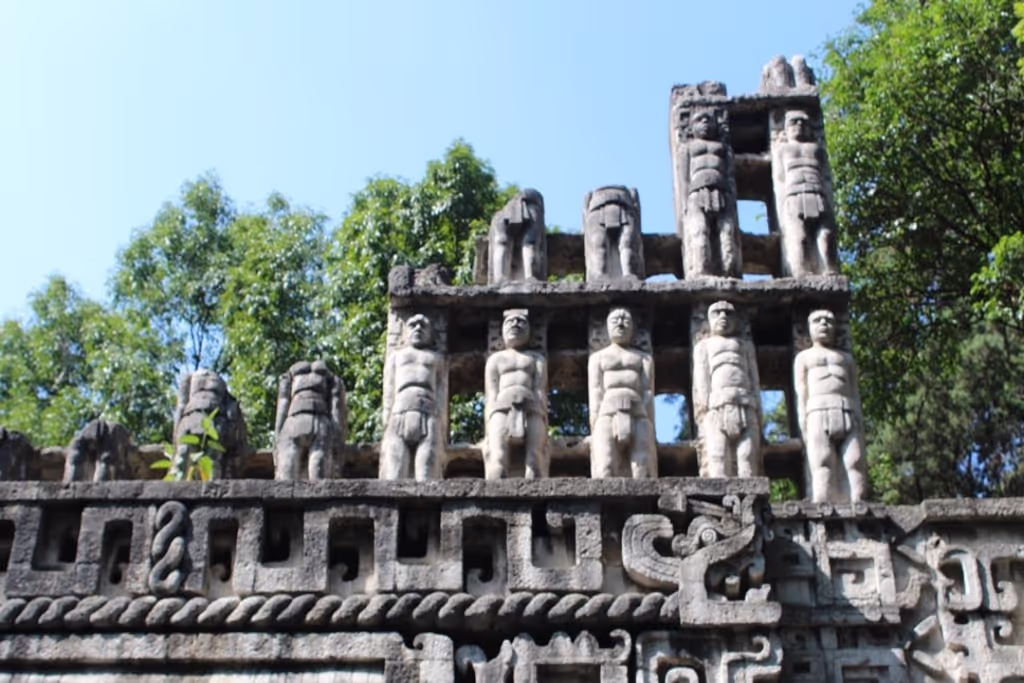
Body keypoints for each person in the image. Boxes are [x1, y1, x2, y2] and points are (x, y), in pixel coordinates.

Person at [794, 310, 867, 502]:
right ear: (809, 328)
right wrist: (803, 421)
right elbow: (801, 391)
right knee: (822, 460)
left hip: (847, 410)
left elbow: (854, 392)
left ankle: (857, 499)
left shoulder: (846, 359)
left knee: (855, 459)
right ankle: (823, 500)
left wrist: (859, 419)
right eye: (817, 321)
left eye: (828, 321)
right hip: (817, 411)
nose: (823, 324)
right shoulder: (804, 358)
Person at [692, 301, 762, 477]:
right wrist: (706, 406)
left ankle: (748, 488)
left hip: (745, 403)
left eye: (728, 313)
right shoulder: (703, 347)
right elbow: (702, 378)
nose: (723, 316)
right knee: (718, 454)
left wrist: (757, 407)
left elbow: (753, 377)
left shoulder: (745, 346)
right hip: (717, 405)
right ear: (708, 320)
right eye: (717, 313)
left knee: (747, 455)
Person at [588, 308, 657, 478]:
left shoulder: (644, 359)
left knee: (642, 465)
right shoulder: (597, 358)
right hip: (607, 412)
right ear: (606, 327)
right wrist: (595, 421)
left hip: (637, 411)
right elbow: (595, 391)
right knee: (605, 464)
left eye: (626, 321)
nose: (620, 324)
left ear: (633, 327)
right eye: (615, 321)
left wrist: (647, 419)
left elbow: (647, 391)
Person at [380, 314, 446, 480]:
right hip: (399, 410)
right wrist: (386, 415)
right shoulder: (396, 357)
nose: (418, 328)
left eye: (423, 326)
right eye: (413, 325)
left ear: (431, 333)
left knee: (427, 466)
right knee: (395, 466)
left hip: (428, 410)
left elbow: (441, 391)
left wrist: (442, 421)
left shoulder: (437, 359)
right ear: (404, 332)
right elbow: (389, 387)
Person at [484, 309, 548, 479]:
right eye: (510, 322)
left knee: (534, 460)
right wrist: (489, 421)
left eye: (521, 322)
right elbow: (491, 393)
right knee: (498, 458)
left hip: (531, 407)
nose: (515, 325)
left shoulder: (536, 359)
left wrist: (542, 416)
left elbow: (540, 390)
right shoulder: (495, 360)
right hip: (501, 408)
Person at [777, 109, 839, 276]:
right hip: (794, 195)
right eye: (794, 122)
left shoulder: (817, 149)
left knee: (826, 235)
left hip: (818, 194)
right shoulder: (783, 151)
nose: (799, 125)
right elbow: (780, 176)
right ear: (785, 129)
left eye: (803, 122)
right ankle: (801, 270)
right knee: (800, 237)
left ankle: (828, 269)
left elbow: (826, 175)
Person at [680, 109, 740, 278]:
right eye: (699, 120)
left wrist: (731, 196)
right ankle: (702, 268)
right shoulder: (688, 148)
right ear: (691, 127)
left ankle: (728, 269)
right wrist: (685, 202)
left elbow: (730, 175)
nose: (705, 123)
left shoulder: (724, 148)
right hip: (696, 191)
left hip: (722, 190)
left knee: (726, 230)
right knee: (699, 229)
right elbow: (684, 177)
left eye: (709, 120)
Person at [273, 360, 346, 480]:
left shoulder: (331, 379)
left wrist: (277, 438)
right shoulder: (329, 378)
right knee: (291, 477)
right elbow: (336, 408)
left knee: (311, 476)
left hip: (312, 423)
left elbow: (336, 405)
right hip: (301, 423)